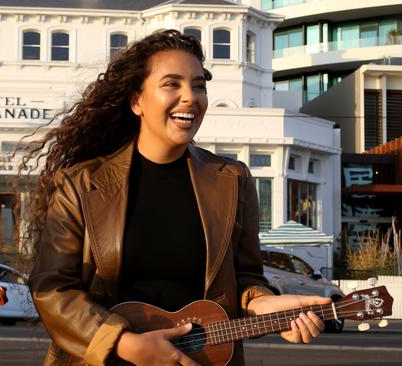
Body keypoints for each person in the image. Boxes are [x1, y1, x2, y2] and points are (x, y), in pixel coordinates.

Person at [25, 30, 330, 366]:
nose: (190, 97)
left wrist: (262, 302)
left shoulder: (233, 180)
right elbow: (52, 288)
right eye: (172, 84)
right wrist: (125, 344)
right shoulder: (80, 185)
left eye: (198, 86)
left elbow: (245, 277)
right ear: (136, 101)